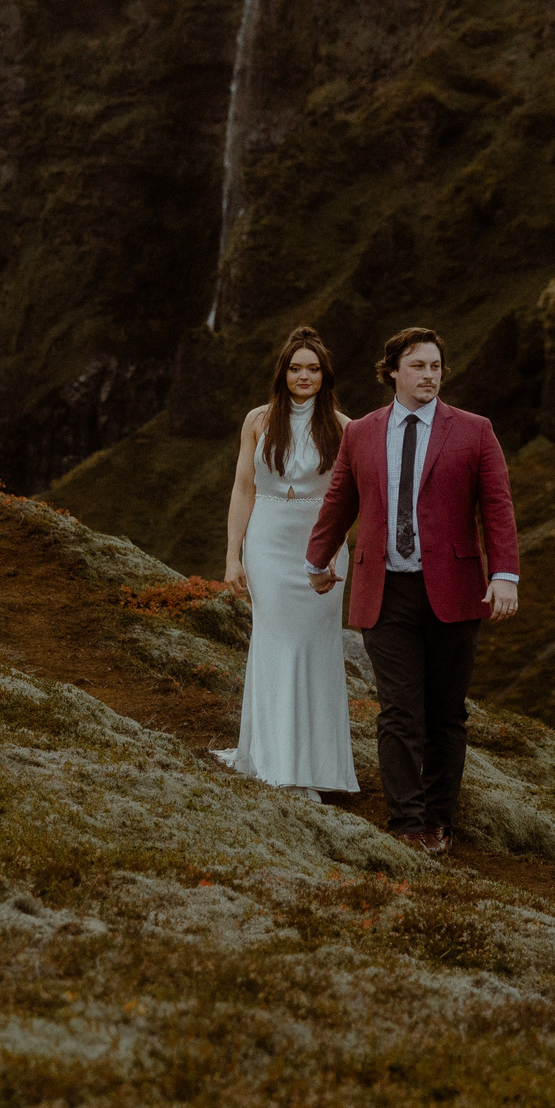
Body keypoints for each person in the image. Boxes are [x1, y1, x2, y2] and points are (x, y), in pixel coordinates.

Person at [304, 326, 519, 853]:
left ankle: (439, 819)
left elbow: (497, 507)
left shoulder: (474, 430)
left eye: (436, 366)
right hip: (385, 589)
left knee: (446, 715)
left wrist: (505, 575)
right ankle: (407, 824)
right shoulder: (361, 433)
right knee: (399, 711)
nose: (429, 375)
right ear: (393, 371)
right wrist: (316, 558)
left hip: (455, 591)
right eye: (418, 366)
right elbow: (339, 500)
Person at [215, 327, 362, 795]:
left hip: (321, 544)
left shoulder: (342, 426)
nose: (304, 376)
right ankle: (276, 761)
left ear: (325, 375)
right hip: (269, 540)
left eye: (313, 369)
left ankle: (317, 766)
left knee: (318, 648)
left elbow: (355, 497)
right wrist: (232, 555)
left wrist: (348, 552)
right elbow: (243, 487)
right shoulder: (258, 421)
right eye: (296, 368)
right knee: (276, 642)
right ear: (283, 372)